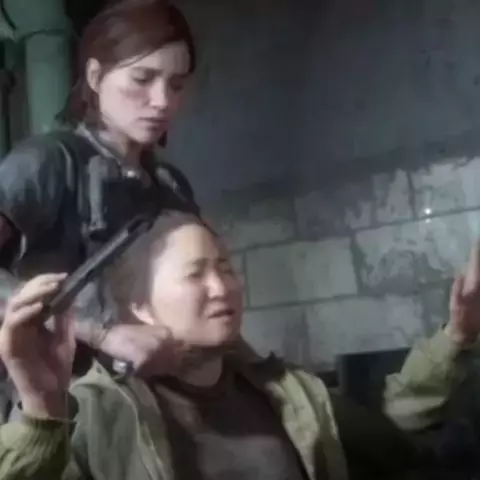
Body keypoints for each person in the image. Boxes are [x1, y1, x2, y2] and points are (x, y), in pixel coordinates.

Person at [0, 211, 442, 480]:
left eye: (226, 268)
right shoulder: (94, 416)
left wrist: (456, 336)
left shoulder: (291, 394)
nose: (221, 287)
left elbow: (391, 428)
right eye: (196, 274)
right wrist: (41, 411)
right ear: (140, 306)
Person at [0, 0, 201, 420]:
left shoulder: (171, 185)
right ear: (95, 77)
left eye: (177, 84)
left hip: (159, 399)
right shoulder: (46, 163)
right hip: (57, 403)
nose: (161, 101)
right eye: (142, 79)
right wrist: (102, 333)